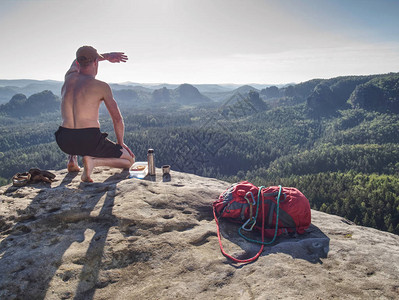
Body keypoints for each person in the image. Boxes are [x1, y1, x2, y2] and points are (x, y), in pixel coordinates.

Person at [55, 45, 135, 182]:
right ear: (95, 62)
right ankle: (93, 162)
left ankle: (72, 159)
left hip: (64, 140)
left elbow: (75, 62)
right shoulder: (101, 86)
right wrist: (120, 144)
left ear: (78, 62)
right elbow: (117, 119)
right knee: (129, 160)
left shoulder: (69, 77)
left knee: (72, 121)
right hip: (89, 140)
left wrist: (106, 56)